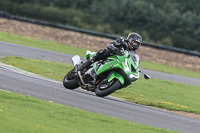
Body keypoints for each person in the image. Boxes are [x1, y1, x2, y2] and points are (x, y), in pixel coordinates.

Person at [76, 32, 142, 71]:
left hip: (118, 63)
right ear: (129, 40)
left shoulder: (133, 54)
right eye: (134, 42)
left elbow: (134, 62)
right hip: (110, 56)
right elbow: (110, 45)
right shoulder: (122, 41)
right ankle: (83, 66)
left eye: (137, 43)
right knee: (104, 51)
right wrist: (116, 50)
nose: (135, 44)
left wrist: (136, 69)